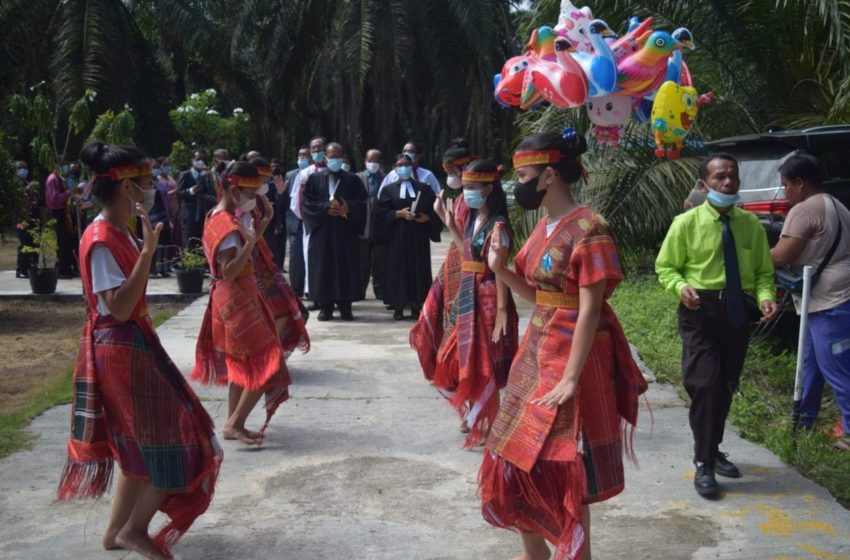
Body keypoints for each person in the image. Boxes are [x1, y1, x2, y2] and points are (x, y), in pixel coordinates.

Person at [479, 130, 647, 560]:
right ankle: (534, 551)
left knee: (565, 466)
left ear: (550, 175)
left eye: (524, 175)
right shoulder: (542, 227)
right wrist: (500, 269)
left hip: (575, 354)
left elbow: (589, 309)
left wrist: (572, 377)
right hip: (536, 349)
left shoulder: (590, 228)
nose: (517, 185)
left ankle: (576, 554)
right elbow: (540, 297)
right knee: (512, 454)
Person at [59, 142, 221, 560]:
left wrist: (143, 248)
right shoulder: (101, 239)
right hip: (119, 345)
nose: (152, 188)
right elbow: (118, 306)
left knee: (138, 441)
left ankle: (116, 531)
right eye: (146, 182)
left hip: (131, 343)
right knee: (179, 438)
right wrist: (147, 254)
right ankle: (134, 529)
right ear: (127, 187)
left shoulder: (119, 229)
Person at [656, 152, 779, 497]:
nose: (727, 183)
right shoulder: (686, 224)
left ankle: (713, 448)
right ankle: (704, 463)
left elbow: (763, 274)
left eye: (732, 177)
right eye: (719, 177)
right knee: (705, 383)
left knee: (724, 384)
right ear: (703, 184)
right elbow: (666, 267)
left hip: (738, 310)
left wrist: (766, 296)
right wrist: (681, 288)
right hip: (700, 311)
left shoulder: (750, 225)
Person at [192, 162, 291, 446]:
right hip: (235, 296)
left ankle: (233, 423)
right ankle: (235, 422)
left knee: (240, 363)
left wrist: (263, 222)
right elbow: (230, 270)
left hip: (233, 295)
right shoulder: (226, 224)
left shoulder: (220, 215)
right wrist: (249, 243)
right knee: (268, 361)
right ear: (234, 191)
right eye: (251, 193)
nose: (255, 198)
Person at [431, 159, 518, 447]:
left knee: (483, 362)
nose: (466, 193)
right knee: (453, 356)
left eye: (471, 188)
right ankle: (472, 412)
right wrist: (447, 221)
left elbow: (501, 270)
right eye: (465, 187)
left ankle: (483, 420)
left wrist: (503, 311)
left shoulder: (499, 225)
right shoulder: (473, 218)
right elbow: (465, 252)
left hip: (490, 296)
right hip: (468, 294)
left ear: (488, 189)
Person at [770, 154, 850, 451]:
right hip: (829, 299)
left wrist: (752, 254)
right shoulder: (836, 204)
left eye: (786, 185)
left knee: (838, 368)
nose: (785, 192)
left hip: (830, 302)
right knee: (811, 364)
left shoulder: (805, 209)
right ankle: (802, 417)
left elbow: (783, 255)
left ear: (800, 183)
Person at [410, 140, 477, 381]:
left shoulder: (475, 202)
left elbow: (470, 245)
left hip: (469, 265)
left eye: (451, 172)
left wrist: (447, 221)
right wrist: (441, 213)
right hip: (453, 261)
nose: (449, 177)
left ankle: (458, 369)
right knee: (440, 311)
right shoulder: (459, 199)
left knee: (460, 318)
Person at [300, 142, 368, 321]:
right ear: (325, 158)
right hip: (323, 232)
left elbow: (362, 203)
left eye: (338, 157)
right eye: (331, 157)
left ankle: (346, 307)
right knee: (324, 268)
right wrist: (325, 209)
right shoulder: (314, 179)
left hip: (345, 231)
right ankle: (326, 308)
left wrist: (348, 209)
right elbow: (307, 204)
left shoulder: (353, 180)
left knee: (346, 268)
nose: (335, 160)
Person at [378, 154, 442, 319]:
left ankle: (416, 304)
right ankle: (398, 306)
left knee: (417, 268)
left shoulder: (423, 188)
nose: (403, 168)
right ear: (395, 168)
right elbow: (380, 213)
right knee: (397, 269)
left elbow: (435, 210)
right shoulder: (388, 190)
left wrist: (426, 218)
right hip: (396, 237)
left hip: (417, 237)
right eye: (400, 165)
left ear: (412, 166)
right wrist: (397, 214)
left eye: (406, 164)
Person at [290, 137, 329, 307]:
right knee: (310, 259)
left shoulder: (337, 171)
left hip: (331, 224)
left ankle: (332, 297)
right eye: (313, 149)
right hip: (311, 224)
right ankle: (314, 295)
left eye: (319, 148)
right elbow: (295, 199)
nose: (316, 152)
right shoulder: (304, 173)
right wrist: (306, 217)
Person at [44, 160, 82, 278]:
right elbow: (55, 199)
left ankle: (68, 267)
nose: (65, 167)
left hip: (65, 212)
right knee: (63, 241)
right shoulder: (53, 179)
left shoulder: (61, 178)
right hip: (58, 213)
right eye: (63, 165)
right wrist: (70, 192)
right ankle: (62, 270)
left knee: (68, 241)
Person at [357, 149, 385, 300]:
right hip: (363, 227)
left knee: (380, 263)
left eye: (376, 161)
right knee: (362, 263)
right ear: (365, 161)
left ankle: (380, 290)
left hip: (380, 228)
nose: (373, 164)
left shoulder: (386, 179)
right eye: (370, 160)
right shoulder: (357, 178)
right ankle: (359, 290)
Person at [285, 146, 311, 296]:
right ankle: (296, 289)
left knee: (309, 256)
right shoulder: (290, 175)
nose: (302, 159)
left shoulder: (314, 173)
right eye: (300, 156)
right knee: (296, 258)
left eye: (305, 156)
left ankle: (309, 288)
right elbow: (285, 201)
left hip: (310, 222)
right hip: (294, 222)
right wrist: (281, 193)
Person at [177, 151, 216, 248]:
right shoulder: (185, 174)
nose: (201, 162)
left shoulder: (206, 176)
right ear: (192, 160)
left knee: (201, 242)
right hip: (189, 214)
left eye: (202, 159)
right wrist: (191, 191)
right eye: (198, 159)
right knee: (189, 242)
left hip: (202, 214)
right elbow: (179, 193)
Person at [15, 161, 40, 278]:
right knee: (24, 242)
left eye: (25, 168)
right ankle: (21, 270)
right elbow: (17, 197)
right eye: (21, 168)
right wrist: (28, 188)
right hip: (21, 218)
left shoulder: (26, 182)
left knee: (32, 241)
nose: (23, 170)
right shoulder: (15, 183)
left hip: (31, 216)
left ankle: (30, 267)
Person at [148, 160, 172, 276]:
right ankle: (154, 269)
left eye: (157, 168)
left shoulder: (160, 182)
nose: (156, 170)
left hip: (164, 215)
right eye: (154, 168)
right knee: (155, 244)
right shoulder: (148, 183)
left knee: (164, 243)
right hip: (153, 216)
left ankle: (163, 268)